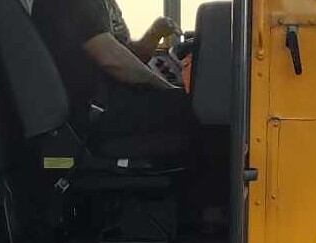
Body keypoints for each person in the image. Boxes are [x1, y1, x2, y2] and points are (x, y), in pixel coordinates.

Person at [31, 0, 194, 139]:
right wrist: (166, 88)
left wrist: (154, 33)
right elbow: (112, 60)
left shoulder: (105, 4)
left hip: (104, 101)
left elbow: (126, 59)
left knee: (188, 103)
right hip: (91, 112)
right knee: (193, 108)